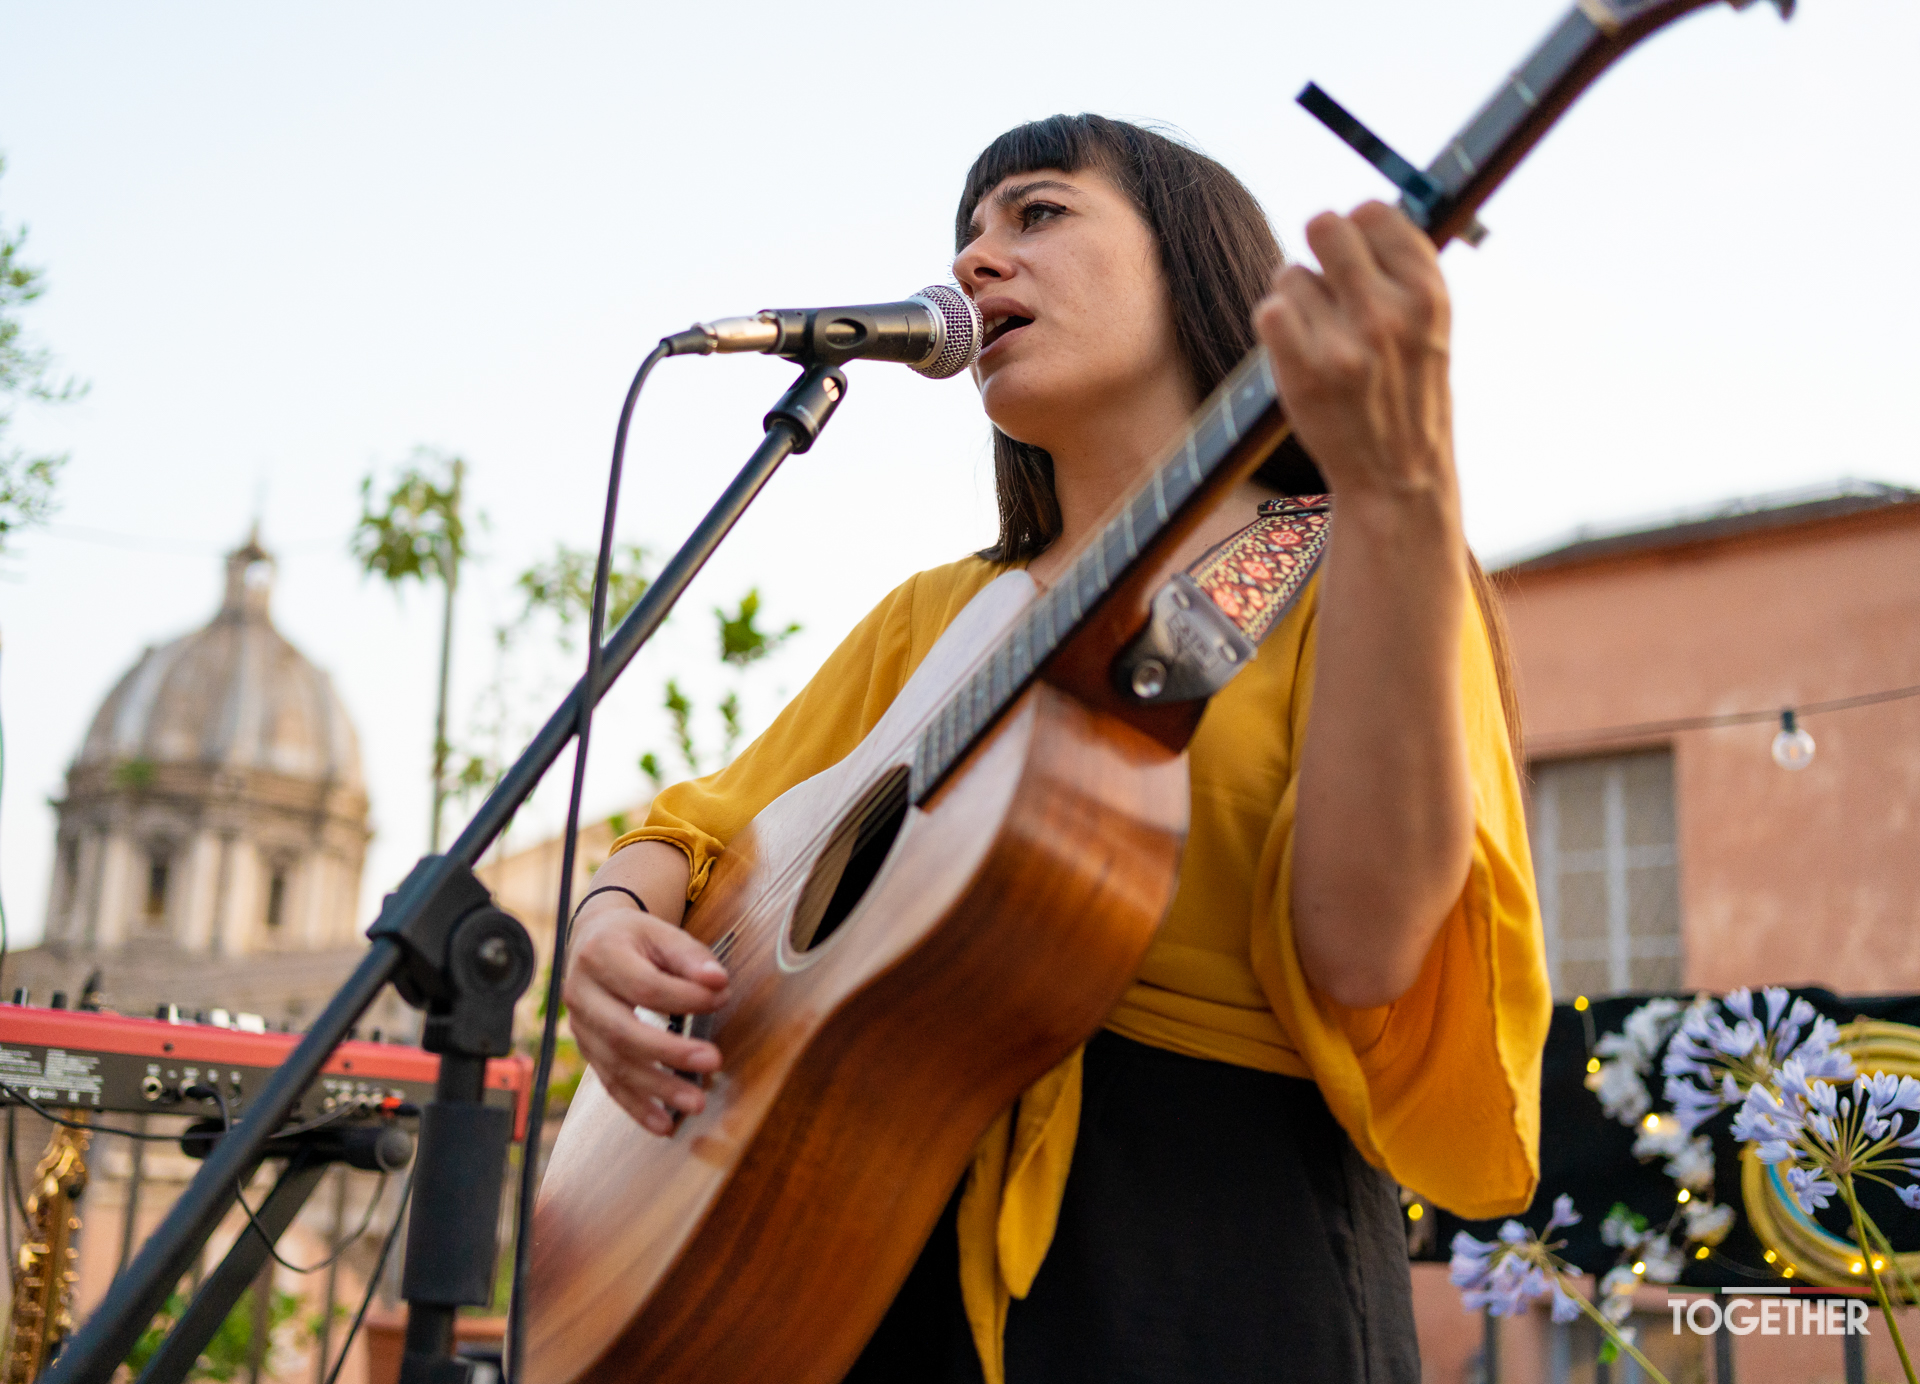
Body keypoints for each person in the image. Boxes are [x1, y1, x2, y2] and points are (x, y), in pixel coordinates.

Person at [560, 114, 1551, 1383]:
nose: (974, 262)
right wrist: (605, 923)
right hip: (858, 1257)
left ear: (1194, 261)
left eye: (1036, 213)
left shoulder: (1353, 557)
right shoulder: (937, 617)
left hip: (1210, 1261)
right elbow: (697, 829)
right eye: (967, 234)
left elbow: (1364, 953)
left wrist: (1404, 493)